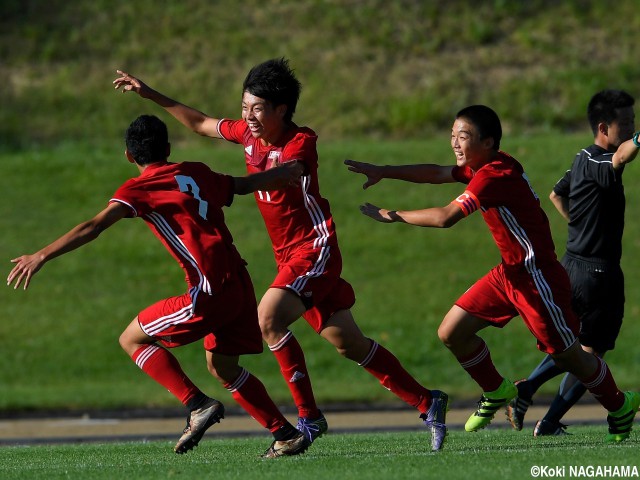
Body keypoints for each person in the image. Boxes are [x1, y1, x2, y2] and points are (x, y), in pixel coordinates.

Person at [112, 58, 449, 451]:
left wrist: (251, 180)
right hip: (289, 257)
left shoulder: (300, 140)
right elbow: (201, 123)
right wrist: (149, 93)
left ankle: (308, 420)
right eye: (244, 107)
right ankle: (429, 401)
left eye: (257, 109)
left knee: (268, 316)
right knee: (348, 342)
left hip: (315, 248)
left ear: (281, 110)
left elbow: (290, 169)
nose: (248, 117)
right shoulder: (248, 135)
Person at [7, 114, 313, 459]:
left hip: (208, 290)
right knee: (223, 366)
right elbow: (241, 186)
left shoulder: (137, 188)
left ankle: (197, 404)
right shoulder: (196, 171)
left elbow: (93, 226)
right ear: (168, 148)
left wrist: (41, 255)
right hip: (239, 284)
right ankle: (285, 434)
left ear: (128, 155)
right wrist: (284, 173)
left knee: (131, 338)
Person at [345, 104, 640, 443]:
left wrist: (393, 214)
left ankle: (620, 404)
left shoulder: (493, 175)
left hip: (536, 278)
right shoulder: (483, 165)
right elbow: (439, 173)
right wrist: (385, 170)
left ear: (487, 142)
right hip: (509, 274)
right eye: (453, 135)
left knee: (569, 356)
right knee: (452, 332)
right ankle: (497, 389)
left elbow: (446, 217)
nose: (455, 143)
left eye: (464, 137)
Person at [505, 90, 639, 436]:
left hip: (571, 266)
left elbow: (556, 193)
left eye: (633, 121)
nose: (630, 128)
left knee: (571, 347)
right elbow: (621, 158)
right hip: (598, 273)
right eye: (624, 123)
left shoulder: (580, 159)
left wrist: (580, 228)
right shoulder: (599, 161)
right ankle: (547, 420)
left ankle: (528, 391)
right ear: (602, 128)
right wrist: (638, 140)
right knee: (592, 354)